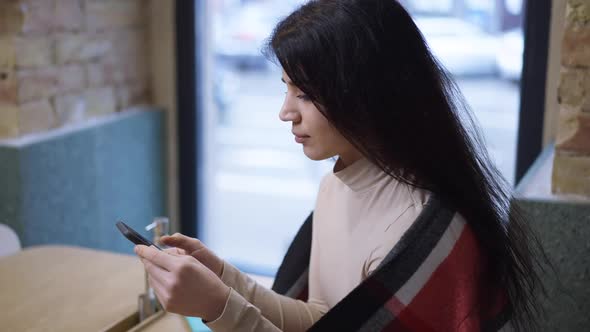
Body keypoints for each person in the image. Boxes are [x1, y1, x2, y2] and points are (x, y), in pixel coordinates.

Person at [134, 0, 547, 331]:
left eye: (306, 94)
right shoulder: (339, 182)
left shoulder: (420, 234)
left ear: (369, 91)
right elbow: (324, 316)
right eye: (286, 88)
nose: (285, 112)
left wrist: (217, 306)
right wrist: (223, 277)